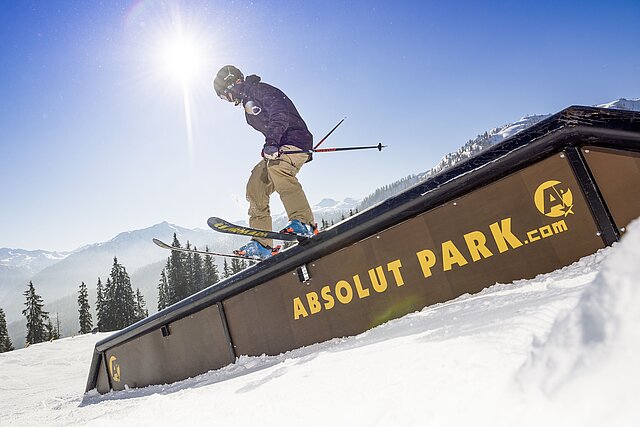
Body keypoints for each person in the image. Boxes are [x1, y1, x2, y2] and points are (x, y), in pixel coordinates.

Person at [213, 65, 317, 259]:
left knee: (278, 169)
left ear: (233, 83)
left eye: (224, 95)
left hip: (296, 141)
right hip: (279, 146)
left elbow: (280, 113)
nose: (226, 101)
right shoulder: (247, 105)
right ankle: (263, 245)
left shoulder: (259, 90)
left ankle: (304, 222)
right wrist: (270, 145)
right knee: (256, 185)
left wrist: (272, 142)